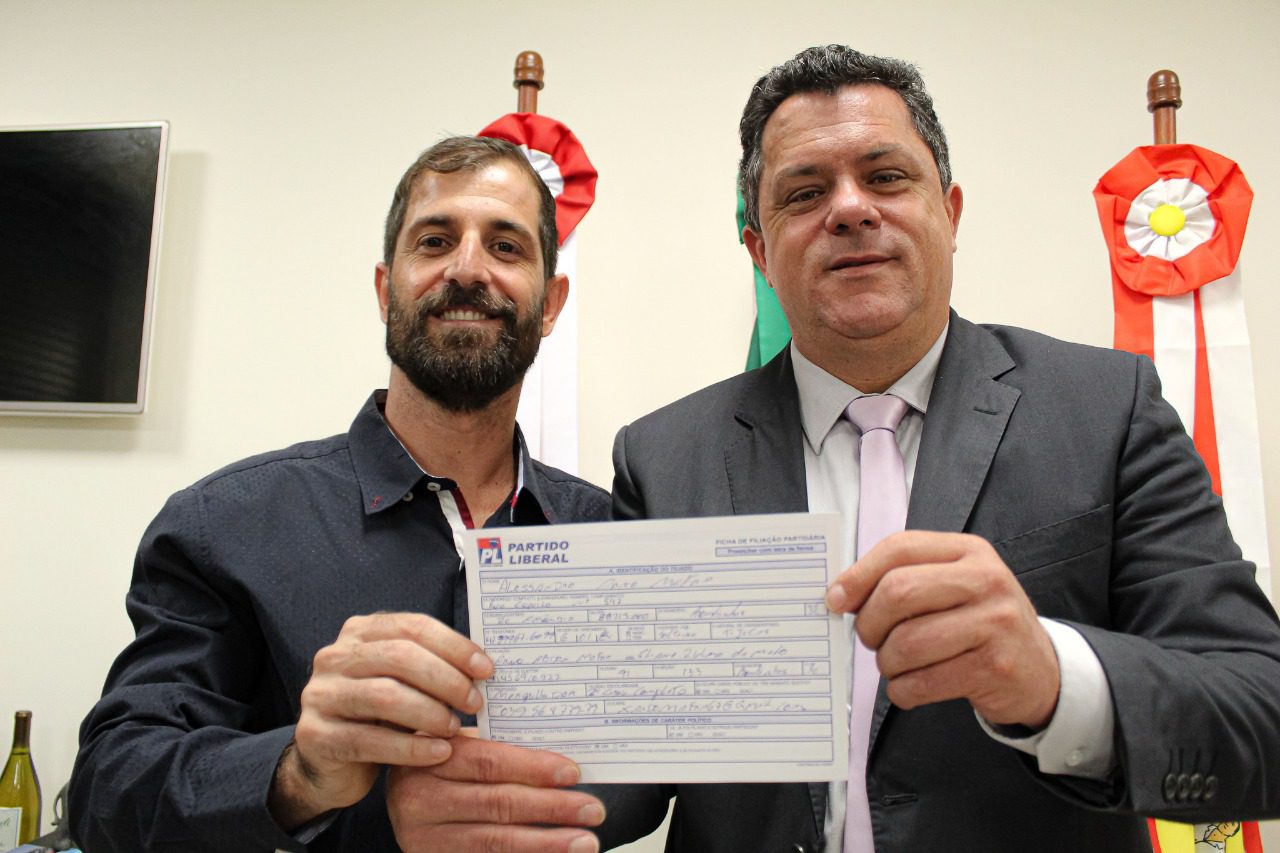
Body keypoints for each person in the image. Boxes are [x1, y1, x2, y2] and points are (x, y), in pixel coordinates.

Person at [587, 45, 1280, 852]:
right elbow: (628, 766)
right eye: (805, 193)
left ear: (950, 213)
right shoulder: (662, 458)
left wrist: (1056, 678)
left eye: (885, 176)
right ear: (759, 252)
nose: (850, 209)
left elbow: (1260, 715)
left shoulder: (1107, 409)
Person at [69, 135, 611, 853]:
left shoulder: (611, 534)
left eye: (506, 247)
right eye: (435, 240)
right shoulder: (223, 524)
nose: (467, 268)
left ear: (550, 305)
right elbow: (107, 793)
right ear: (387, 291)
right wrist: (299, 774)